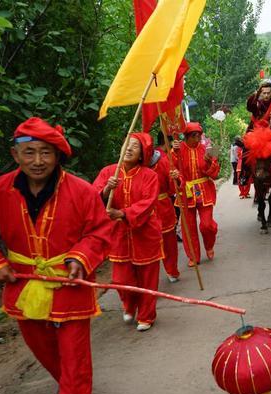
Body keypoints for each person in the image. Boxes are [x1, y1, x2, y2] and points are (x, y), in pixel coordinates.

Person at [0, 117, 112, 394]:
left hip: (70, 282)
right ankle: (72, 384)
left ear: (58, 156)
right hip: (24, 282)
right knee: (40, 346)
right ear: (15, 155)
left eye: (46, 152)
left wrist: (79, 258)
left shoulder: (81, 191)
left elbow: (99, 231)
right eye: (29, 152)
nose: (38, 161)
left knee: (73, 349)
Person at [93, 132, 164, 332]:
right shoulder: (108, 172)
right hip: (118, 235)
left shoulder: (149, 176)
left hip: (145, 232)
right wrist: (106, 190)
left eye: (135, 146)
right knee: (121, 279)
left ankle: (147, 315)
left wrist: (123, 213)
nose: (130, 148)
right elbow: (93, 198)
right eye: (127, 144)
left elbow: (148, 203)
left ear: (143, 154)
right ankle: (129, 303)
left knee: (147, 278)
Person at [170, 122, 220, 265]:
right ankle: (193, 256)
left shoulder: (206, 150)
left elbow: (214, 174)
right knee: (188, 227)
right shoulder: (178, 150)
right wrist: (174, 154)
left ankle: (209, 244)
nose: (197, 139)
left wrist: (210, 163)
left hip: (205, 189)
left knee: (207, 225)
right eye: (194, 136)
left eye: (199, 135)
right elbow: (174, 170)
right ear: (186, 137)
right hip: (186, 191)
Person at [151, 134, 180, 283]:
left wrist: (175, 178)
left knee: (168, 242)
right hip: (143, 212)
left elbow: (172, 188)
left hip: (163, 207)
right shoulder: (130, 167)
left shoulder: (162, 161)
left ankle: (171, 270)